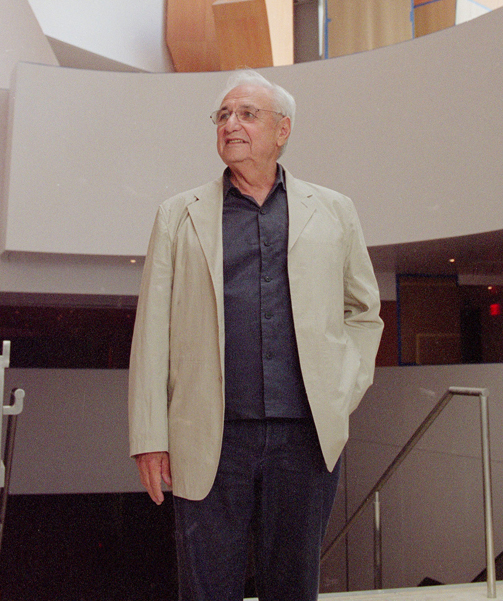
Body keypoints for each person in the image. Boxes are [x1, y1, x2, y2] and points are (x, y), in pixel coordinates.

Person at [129, 69, 383, 601]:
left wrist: (344, 387)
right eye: (223, 115)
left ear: (282, 130)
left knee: (292, 588)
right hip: (208, 436)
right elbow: (153, 331)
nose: (231, 124)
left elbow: (364, 311)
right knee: (206, 589)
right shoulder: (178, 216)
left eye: (247, 114)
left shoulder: (334, 211)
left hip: (305, 437)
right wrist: (150, 434)